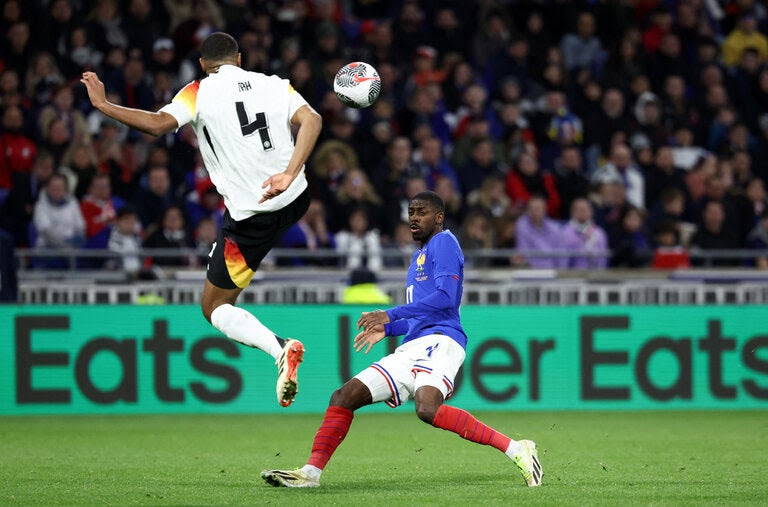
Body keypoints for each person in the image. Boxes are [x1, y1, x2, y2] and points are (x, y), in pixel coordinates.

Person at [80, 32, 323, 407]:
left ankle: (280, 349)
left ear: (202, 65)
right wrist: (290, 173)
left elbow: (157, 124)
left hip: (252, 216)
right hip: (295, 196)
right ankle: (274, 342)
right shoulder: (274, 84)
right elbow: (313, 120)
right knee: (237, 273)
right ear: (240, 59)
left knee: (215, 308)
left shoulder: (198, 91)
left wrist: (103, 105)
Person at [261, 191, 542, 489]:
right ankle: (311, 473)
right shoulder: (419, 257)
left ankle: (516, 448)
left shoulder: (444, 242)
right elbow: (422, 313)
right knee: (344, 396)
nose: (414, 217)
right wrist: (390, 329)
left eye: (422, 212)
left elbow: (446, 299)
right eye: (410, 212)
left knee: (427, 409)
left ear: (439, 217)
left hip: (442, 341)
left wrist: (389, 314)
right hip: (412, 345)